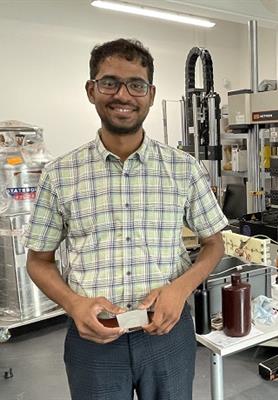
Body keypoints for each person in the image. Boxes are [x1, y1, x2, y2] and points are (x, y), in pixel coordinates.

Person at [24, 38, 228, 400]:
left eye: (136, 85)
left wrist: (180, 289)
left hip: (167, 334)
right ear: (91, 90)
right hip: (94, 340)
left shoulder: (183, 169)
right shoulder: (60, 175)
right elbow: (39, 261)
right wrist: (74, 305)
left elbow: (214, 243)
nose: (123, 95)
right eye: (110, 82)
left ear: (150, 94)